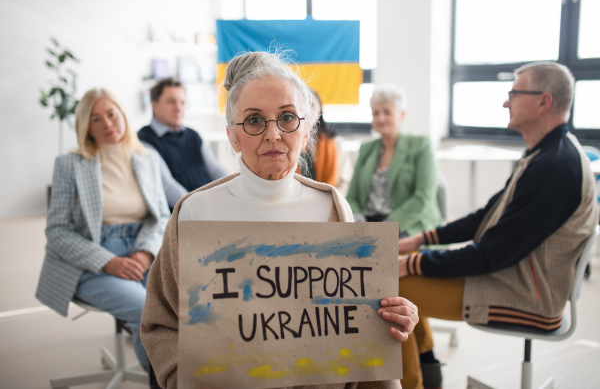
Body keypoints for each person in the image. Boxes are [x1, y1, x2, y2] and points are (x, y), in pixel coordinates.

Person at [141, 51, 420, 389]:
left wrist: (390, 318)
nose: (273, 134)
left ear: (305, 131)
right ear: (232, 135)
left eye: (288, 118)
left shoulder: (331, 206)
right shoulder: (195, 212)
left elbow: (357, 326)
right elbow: (161, 325)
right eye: (254, 120)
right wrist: (181, 379)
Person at [396, 62, 598, 389]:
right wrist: (420, 239)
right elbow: (485, 217)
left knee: (391, 288)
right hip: (518, 277)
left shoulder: (554, 168)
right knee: (405, 272)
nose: (507, 102)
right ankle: (428, 370)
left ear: (544, 101)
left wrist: (411, 262)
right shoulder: (544, 154)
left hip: (527, 297)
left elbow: (490, 255)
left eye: (515, 93)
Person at [36, 88, 171, 375]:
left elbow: (160, 215)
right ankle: (160, 381)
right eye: (96, 119)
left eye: (112, 114)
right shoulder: (69, 165)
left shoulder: (146, 158)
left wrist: (146, 253)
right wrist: (107, 261)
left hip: (140, 251)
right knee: (146, 310)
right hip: (90, 260)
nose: (108, 124)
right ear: (86, 126)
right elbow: (58, 232)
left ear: (123, 115)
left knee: (179, 305)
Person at [346, 85, 442, 237]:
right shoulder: (366, 149)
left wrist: (387, 228)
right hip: (367, 223)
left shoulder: (421, 145)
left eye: (387, 112)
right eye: (376, 113)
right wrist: (358, 222)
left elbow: (423, 196)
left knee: (380, 255)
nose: (381, 118)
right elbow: (352, 196)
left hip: (407, 224)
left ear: (402, 115)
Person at [138, 77, 228, 209]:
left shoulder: (193, 135)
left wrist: (235, 193)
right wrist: (199, 209)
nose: (178, 108)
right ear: (154, 106)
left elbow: (216, 171)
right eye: (171, 102)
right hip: (183, 214)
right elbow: (167, 186)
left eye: (182, 102)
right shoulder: (144, 140)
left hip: (209, 206)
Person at [298, 89, 339, 186]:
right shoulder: (286, 139)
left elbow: (337, 181)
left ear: (319, 111)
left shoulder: (332, 141)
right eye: (303, 106)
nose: (307, 111)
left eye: (311, 106)